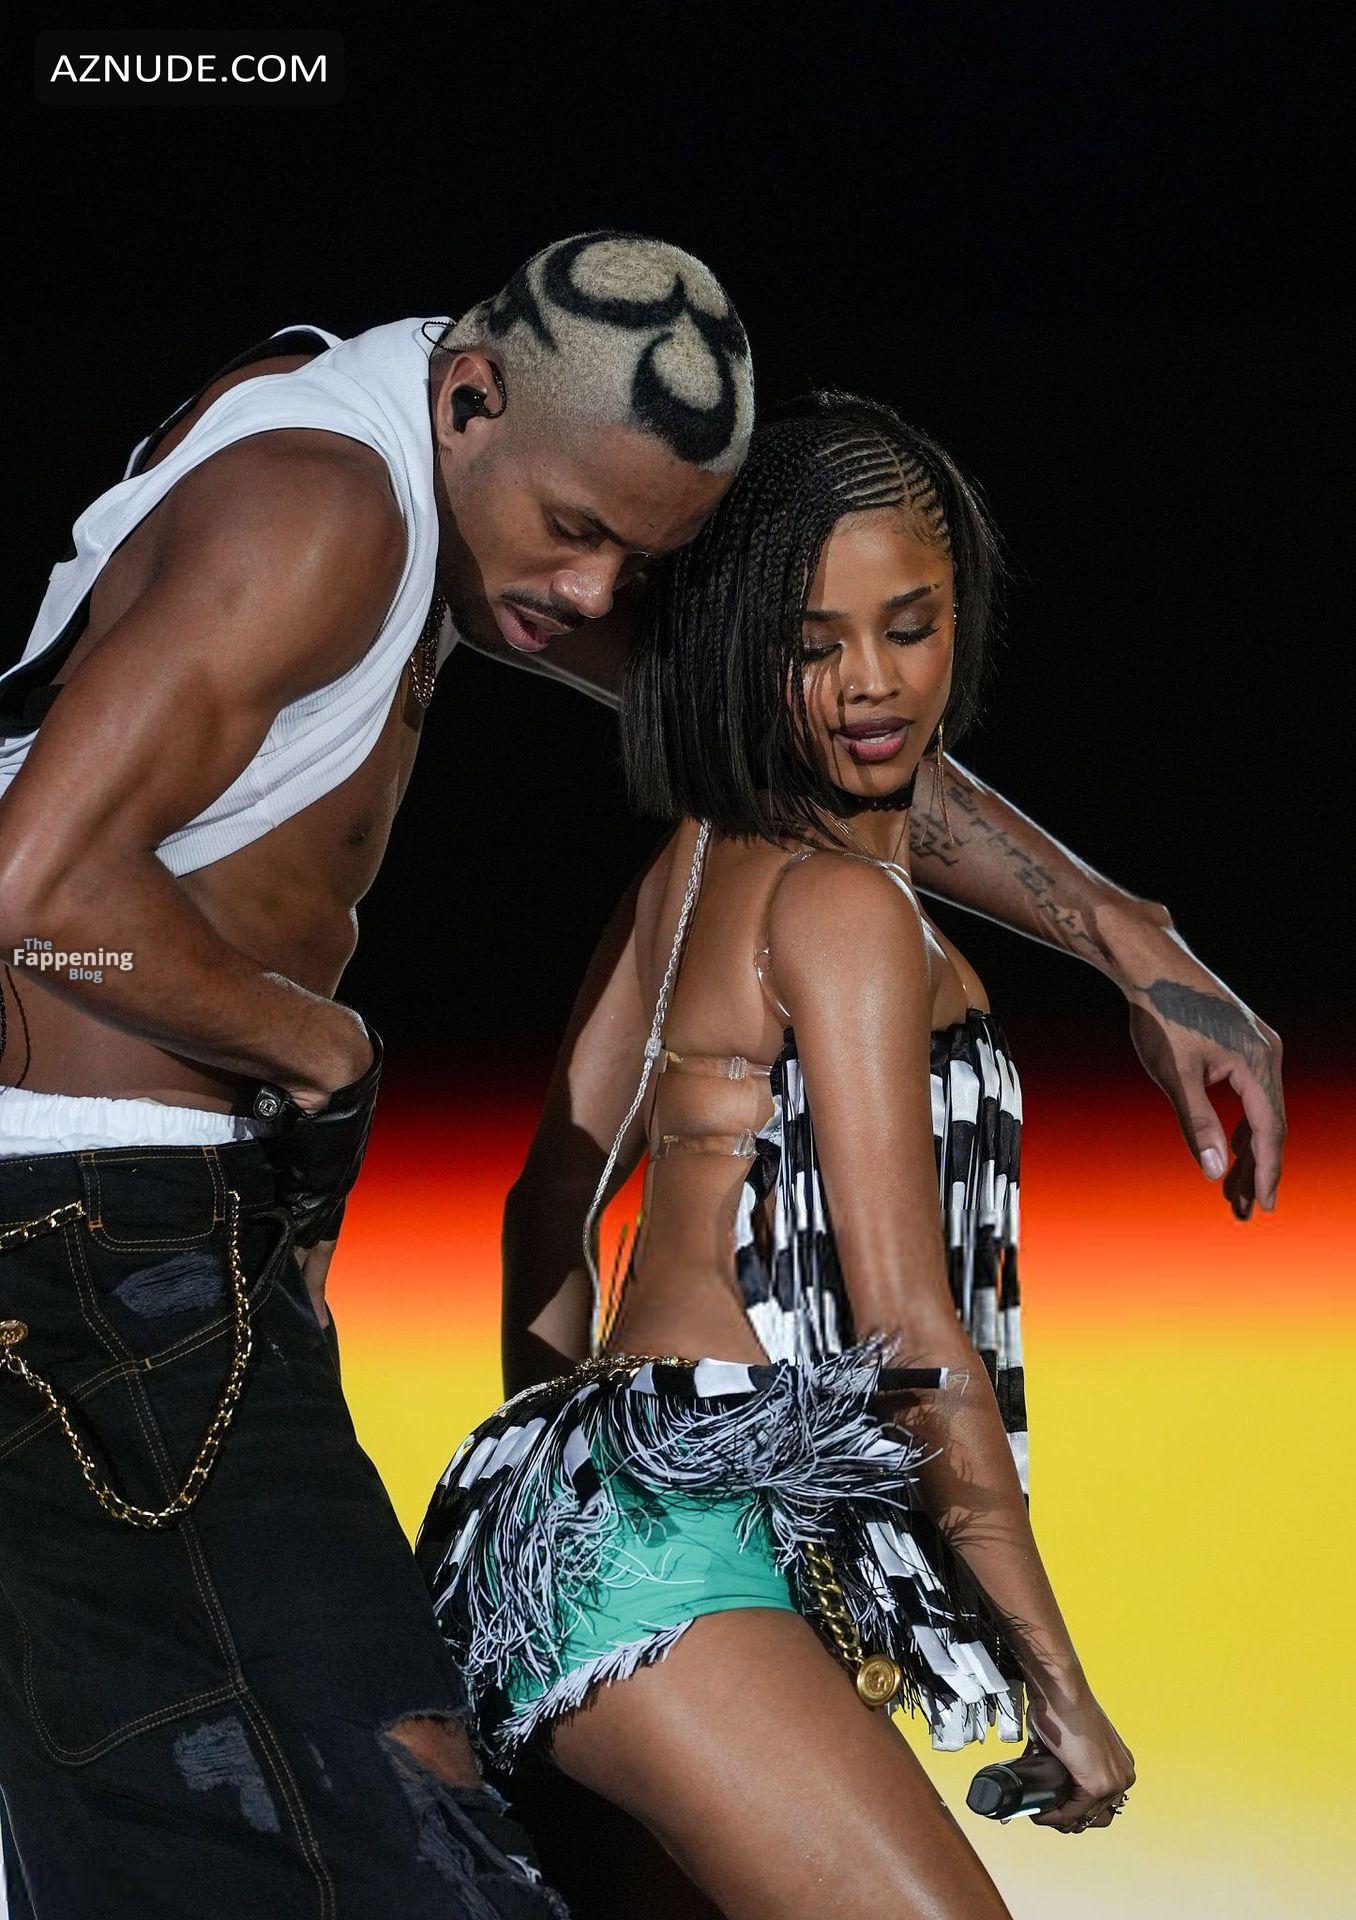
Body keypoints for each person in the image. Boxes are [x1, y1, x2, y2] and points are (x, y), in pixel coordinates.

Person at [0, 230, 1277, 1915]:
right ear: (471, 396)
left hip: (171, 1251)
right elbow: (28, 896)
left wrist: (1134, 944)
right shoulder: (326, 506)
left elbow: (777, 746)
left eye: (639, 557)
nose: (600, 600)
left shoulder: (407, 453)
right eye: (579, 533)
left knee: (173, 1836)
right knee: (375, 1848)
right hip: (101, 1227)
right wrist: (323, 1046)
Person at [416, 393, 1142, 1920]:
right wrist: (1054, 1682)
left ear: (965, 617)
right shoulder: (848, 911)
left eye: (910, 627)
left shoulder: (695, 861)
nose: (872, 682)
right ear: (747, 649)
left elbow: (547, 1207)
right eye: (815, 646)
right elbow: (910, 1338)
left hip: (571, 1524)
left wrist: (571, 1518)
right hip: (687, 1560)